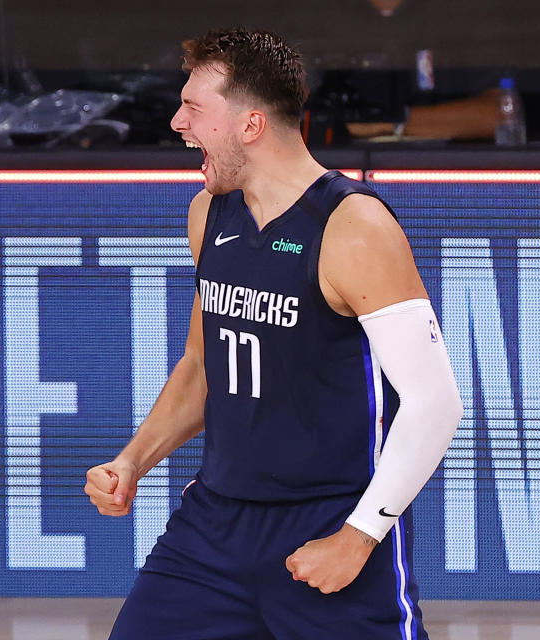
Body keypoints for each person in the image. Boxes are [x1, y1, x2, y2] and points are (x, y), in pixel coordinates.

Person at [84, 28, 464, 640]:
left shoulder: (352, 226)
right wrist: (134, 460)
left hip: (327, 528)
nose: (178, 122)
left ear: (251, 125)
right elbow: (201, 367)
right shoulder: (210, 213)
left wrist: (359, 536)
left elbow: (434, 403)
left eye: (195, 109)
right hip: (211, 527)